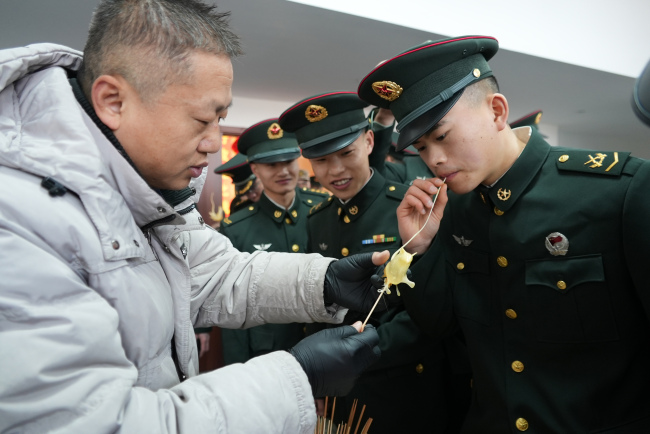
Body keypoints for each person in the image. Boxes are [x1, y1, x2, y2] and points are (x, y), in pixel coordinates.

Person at [0, 1, 387, 432]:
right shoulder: (15, 222)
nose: (212, 142)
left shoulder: (145, 193)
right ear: (113, 101)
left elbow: (214, 274)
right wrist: (296, 378)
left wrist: (323, 282)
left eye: (221, 118)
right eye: (203, 119)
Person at [358, 35, 650, 432]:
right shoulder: (452, 210)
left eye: (441, 136)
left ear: (497, 111)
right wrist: (419, 245)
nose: (435, 160)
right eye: (422, 148)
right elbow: (439, 325)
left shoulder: (618, 190)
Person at [279, 91, 450, 434]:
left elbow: (432, 307)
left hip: (403, 385)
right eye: (322, 160)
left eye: (346, 153)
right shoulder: (318, 218)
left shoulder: (412, 208)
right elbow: (317, 302)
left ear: (370, 141)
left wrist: (357, 352)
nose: (336, 170)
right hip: (341, 387)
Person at [219, 119, 329, 365]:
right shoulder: (237, 229)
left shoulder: (323, 210)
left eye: (289, 162)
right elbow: (231, 309)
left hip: (324, 349)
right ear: (255, 169)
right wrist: (237, 372)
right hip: (268, 356)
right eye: (271, 165)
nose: (283, 172)